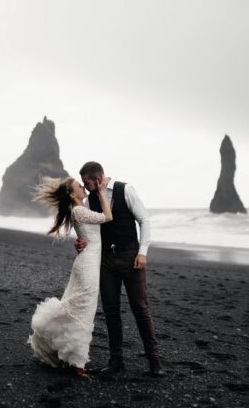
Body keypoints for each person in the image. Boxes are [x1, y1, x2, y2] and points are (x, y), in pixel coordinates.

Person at [76, 161, 165, 377]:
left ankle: (155, 361)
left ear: (98, 179)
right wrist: (79, 243)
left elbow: (144, 220)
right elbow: (88, 229)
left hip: (130, 256)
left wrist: (143, 252)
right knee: (111, 310)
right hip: (105, 259)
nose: (85, 187)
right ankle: (116, 362)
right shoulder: (89, 200)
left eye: (86, 182)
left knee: (140, 307)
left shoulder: (125, 190)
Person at [27, 176, 113, 378]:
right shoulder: (79, 210)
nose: (83, 187)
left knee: (80, 309)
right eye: (79, 186)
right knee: (83, 311)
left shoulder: (80, 209)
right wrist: (102, 191)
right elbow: (108, 217)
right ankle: (77, 363)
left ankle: (70, 357)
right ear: (73, 194)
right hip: (87, 266)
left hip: (88, 263)